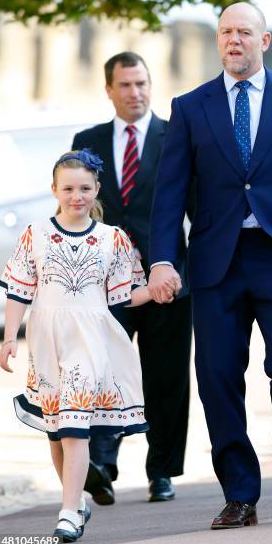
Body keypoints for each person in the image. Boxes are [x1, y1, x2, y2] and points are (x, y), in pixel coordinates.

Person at [147, 2, 272, 529]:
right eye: (225, 32)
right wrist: (163, 259)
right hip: (215, 263)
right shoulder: (191, 107)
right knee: (216, 378)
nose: (233, 40)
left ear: (266, 41)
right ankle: (240, 492)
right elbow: (168, 195)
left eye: (244, 32)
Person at [0, 150, 165, 542]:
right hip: (46, 342)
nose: (77, 196)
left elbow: (124, 295)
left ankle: (69, 511)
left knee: (74, 427)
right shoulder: (35, 235)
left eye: (85, 188)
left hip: (91, 342)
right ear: (54, 189)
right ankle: (76, 502)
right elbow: (19, 290)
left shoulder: (112, 239)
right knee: (56, 430)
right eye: (68, 188)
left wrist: (154, 291)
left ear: (97, 190)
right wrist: (9, 337)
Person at [72, 52, 193, 504]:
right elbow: (76, 207)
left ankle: (161, 469)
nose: (135, 92)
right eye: (125, 85)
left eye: (141, 83)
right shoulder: (88, 142)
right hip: (104, 287)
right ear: (109, 90)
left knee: (165, 378)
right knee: (104, 372)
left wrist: (186, 272)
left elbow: (198, 211)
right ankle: (103, 463)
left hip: (166, 282)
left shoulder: (176, 137)